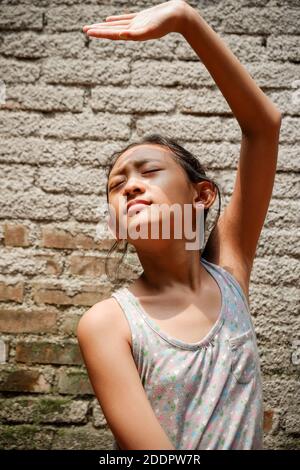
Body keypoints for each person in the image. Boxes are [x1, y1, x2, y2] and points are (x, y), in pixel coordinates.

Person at [77, 0, 282, 450]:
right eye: (117, 184)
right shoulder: (108, 323)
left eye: (149, 172)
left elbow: (264, 127)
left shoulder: (230, 272)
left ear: (201, 195)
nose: (130, 187)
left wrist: (187, 20)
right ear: (115, 222)